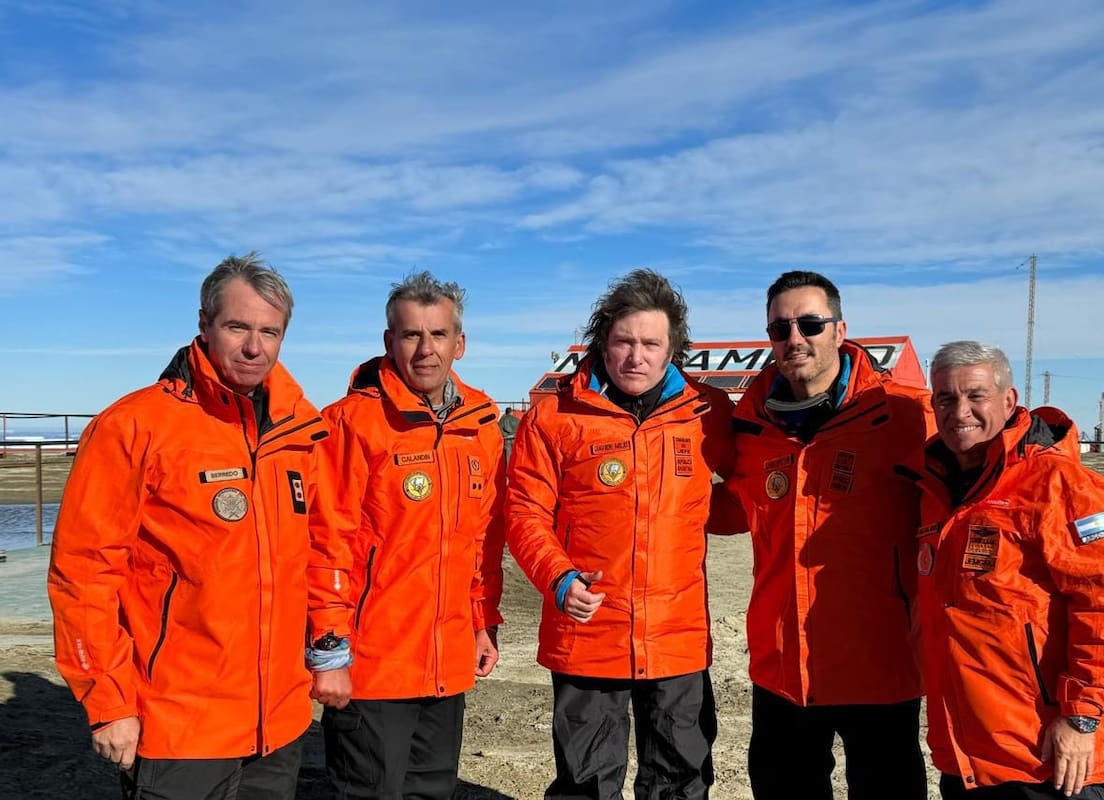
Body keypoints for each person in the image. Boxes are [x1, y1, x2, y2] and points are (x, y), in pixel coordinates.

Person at [47, 253, 352, 799]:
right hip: (180, 725)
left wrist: (330, 654)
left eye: (270, 331)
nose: (255, 346)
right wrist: (108, 701)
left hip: (279, 722)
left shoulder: (299, 432)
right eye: (238, 326)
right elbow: (84, 575)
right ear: (204, 324)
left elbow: (322, 551)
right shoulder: (135, 426)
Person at [506, 269, 740, 800]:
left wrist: (696, 510)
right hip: (588, 634)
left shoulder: (708, 413)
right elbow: (524, 511)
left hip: (676, 639)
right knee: (586, 784)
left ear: (672, 349)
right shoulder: (553, 418)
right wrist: (559, 577)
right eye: (624, 341)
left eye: (651, 343)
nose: (636, 356)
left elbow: (746, 494)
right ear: (603, 343)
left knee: (680, 781)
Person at [724, 270, 932, 800]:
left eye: (810, 323)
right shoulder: (750, 425)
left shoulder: (905, 415)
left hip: (878, 664)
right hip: (782, 667)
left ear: (840, 330)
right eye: (779, 329)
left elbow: (994, 454)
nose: (795, 339)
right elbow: (718, 508)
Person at [909, 341, 1104, 800]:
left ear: (1008, 400)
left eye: (975, 395)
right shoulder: (932, 487)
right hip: (966, 755)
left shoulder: (1062, 484)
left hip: (1046, 758)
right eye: (945, 398)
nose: (961, 411)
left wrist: (1081, 717)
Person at [311, 270, 506, 798]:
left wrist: (481, 621)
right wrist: (330, 652)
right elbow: (328, 542)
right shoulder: (350, 424)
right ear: (388, 342)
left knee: (432, 791)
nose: (425, 349)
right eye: (411, 334)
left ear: (459, 343)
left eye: (438, 334)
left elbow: (481, 541)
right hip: (373, 666)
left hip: (447, 660)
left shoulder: (481, 427)